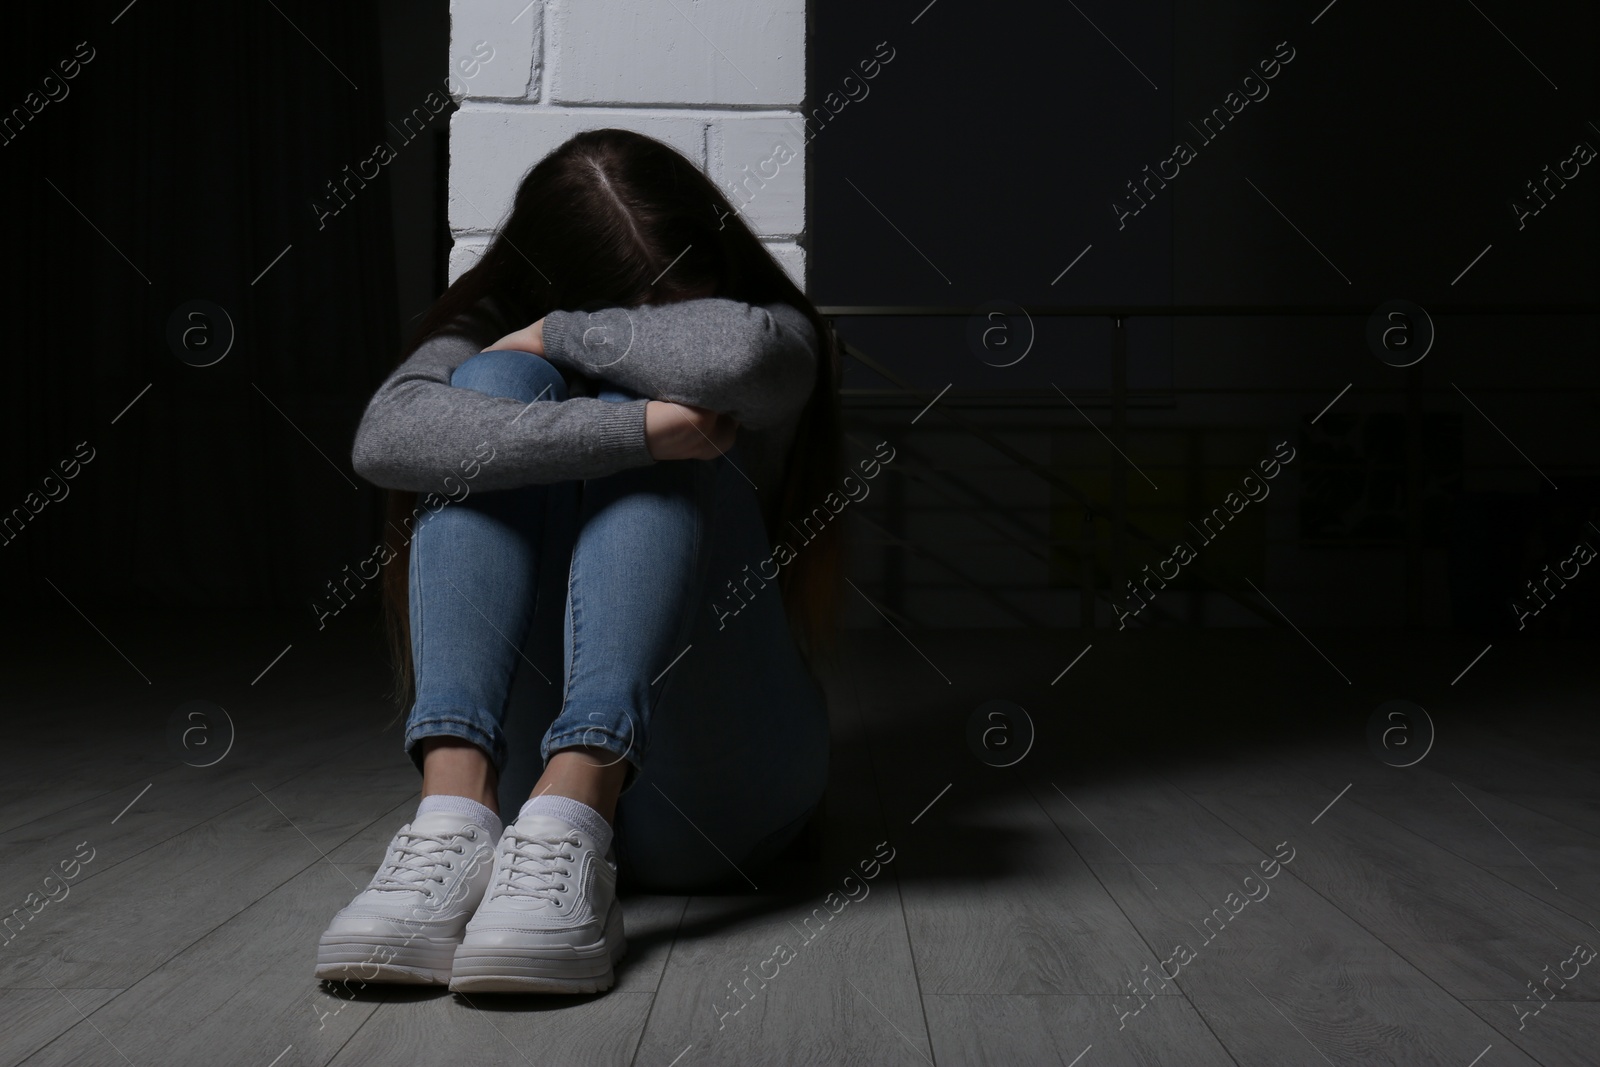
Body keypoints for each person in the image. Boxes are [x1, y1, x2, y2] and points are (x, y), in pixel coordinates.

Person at [314, 128, 844, 995]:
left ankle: (580, 799)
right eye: (621, 308)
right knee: (487, 394)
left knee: (670, 413)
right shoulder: (489, 336)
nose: (650, 328)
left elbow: (732, 357)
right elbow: (387, 437)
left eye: (676, 302)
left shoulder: (773, 331)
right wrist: (631, 432)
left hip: (721, 794)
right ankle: (454, 812)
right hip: (518, 807)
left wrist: (566, 335)